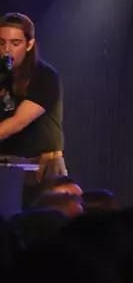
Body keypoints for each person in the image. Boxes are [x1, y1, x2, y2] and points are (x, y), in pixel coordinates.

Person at [0, 13, 65, 206]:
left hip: (40, 168)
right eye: (1, 42)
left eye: (15, 43)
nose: (6, 50)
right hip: (5, 164)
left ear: (29, 44)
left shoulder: (44, 76)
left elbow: (17, 122)